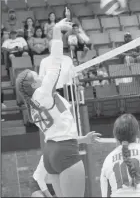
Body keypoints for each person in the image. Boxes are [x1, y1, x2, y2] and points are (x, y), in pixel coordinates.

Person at [16, 20, 101, 197]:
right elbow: (55, 61)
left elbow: (58, 134)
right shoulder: (43, 93)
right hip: (65, 152)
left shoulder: (33, 105)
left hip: (51, 153)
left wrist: (83, 140)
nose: (39, 75)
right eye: (35, 75)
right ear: (33, 84)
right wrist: (55, 30)